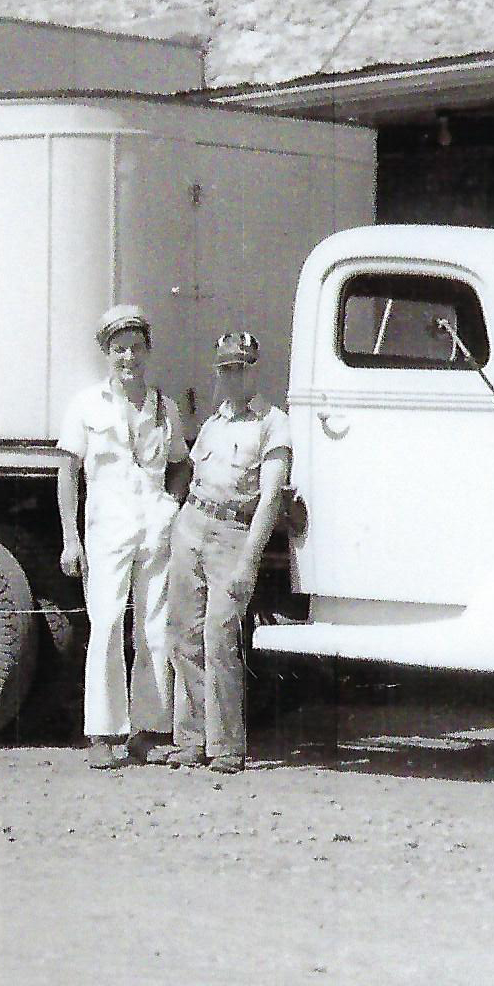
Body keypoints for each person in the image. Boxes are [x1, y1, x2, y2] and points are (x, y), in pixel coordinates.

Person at [56, 304, 189, 769]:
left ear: (147, 351)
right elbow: (68, 471)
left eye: (135, 348)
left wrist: (170, 504)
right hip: (107, 524)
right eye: (118, 350)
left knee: (154, 626)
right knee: (107, 623)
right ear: (106, 355)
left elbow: (180, 462)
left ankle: (149, 732)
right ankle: (102, 733)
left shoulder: (164, 406)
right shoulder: (87, 405)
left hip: (154, 522)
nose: (127, 358)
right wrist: (71, 539)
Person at [159, 331, 290, 774]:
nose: (234, 376)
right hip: (192, 524)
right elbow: (194, 475)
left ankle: (226, 746)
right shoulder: (214, 423)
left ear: (256, 368)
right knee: (182, 635)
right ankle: (189, 740)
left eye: (242, 367)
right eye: (226, 369)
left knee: (221, 638)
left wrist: (249, 560)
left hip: (233, 532)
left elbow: (271, 497)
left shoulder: (273, 423)